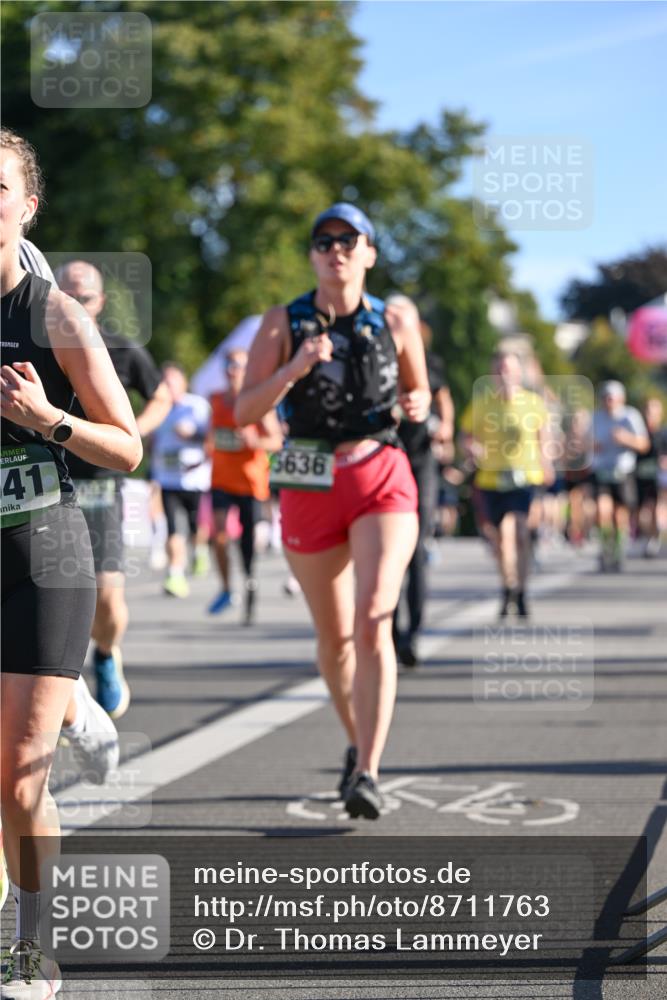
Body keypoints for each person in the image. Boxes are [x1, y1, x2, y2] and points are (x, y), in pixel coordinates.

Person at [1, 128, 141, 998]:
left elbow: (124, 446)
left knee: (17, 784)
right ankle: (74, 706)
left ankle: (32, 947)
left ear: (25, 207)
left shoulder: (53, 314)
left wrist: (47, 420)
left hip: (43, 552)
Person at [236, 202, 430, 820]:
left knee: (376, 617)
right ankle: (355, 740)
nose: (336, 249)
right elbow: (244, 411)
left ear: (370, 251)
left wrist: (421, 401)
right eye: (324, 240)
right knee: (334, 638)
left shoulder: (396, 318)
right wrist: (294, 368)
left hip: (379, 471)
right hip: (308, 473)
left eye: (349, 239)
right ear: (313, 254)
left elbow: (417, 387)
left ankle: (369, 771)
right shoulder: (281, 322)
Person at [54, 261, 171, 717]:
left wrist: (133, 432)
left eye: (84, 297)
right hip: (45, 484)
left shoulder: (121, 350)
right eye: (66, 295)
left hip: (102, 487)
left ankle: (104, 654)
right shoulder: (34, 345)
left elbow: (161, 394)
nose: (75, 304)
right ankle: (59, 680)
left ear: (99, 303)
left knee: (106, 596)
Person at [460, 351, 554, 619]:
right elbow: (465, 435)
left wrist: (546, 463)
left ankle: (522, 591)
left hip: (525, 476)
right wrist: (470, 448)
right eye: (499, 370)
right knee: (501, 539)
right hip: (491, 477)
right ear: (493, 375)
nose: (504, 375)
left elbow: (543, 437)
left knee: (520, 532)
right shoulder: (482, 404)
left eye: (509, 369)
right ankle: (507, 586)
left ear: (518, 373)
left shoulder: (533, 403)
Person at [390, 305, 454, 668]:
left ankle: (412, 632)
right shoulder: (378, 358)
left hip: (421, 460)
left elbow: (444, 400)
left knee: (414, 548)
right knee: (387, 554)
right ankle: (390, 631)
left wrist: (445, 428)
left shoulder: (431, 363)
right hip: (385, 458)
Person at [207, 348, 282, 623]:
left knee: (247, 546)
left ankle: (249, 582)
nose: (231, 370)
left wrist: (255, 442)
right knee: (218, 535)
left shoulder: (257, 402)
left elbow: (276, 441)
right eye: (228, 364)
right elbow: (210, 434)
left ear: (247, 369)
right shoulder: (215, 399)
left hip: (251, 483)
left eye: (237, 365)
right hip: (221, 479)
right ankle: (227, 587)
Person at [151, 362, 211, 597]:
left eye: (171, 381)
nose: (167, 386)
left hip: (195, 478)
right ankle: (175, 574)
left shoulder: (197, 406)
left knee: (196, 526)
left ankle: (200, 551)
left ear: (183, 383)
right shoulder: (158, 408)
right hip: (168, 478)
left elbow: (211, 438)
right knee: (173, 528)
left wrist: (193, 434)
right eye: (163, 381)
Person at [591, 381, 648, 571]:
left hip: (622, 471)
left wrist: (626, 439)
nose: (609, 402)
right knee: (602, 510)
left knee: (619, 514)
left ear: (620, 399)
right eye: (605, 398)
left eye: (612, 398)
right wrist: (594, 446)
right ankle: (605, 546)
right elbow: (584, 443)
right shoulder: (596, 418)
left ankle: (618, 548)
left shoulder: (630, 416)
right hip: (601, 471)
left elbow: (643, 444)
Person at [635, 397, 666, 557]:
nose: (650, 416)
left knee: (654, 509)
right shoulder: (638, 432)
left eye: (653, 412)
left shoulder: (664, 433)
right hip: (639, 476)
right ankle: (646, 536)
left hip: (657, 477)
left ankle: (653, 539)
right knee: (641, 512)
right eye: (647, 412)